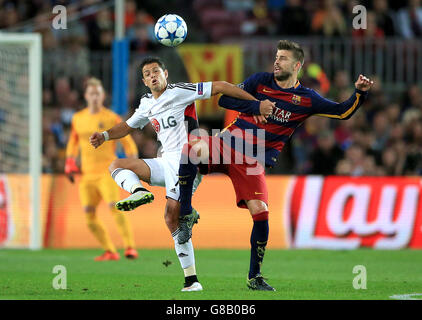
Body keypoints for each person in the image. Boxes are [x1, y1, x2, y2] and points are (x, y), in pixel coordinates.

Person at [176, 40, 373, 291]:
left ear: (297, 65)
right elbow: (225, 100)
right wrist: (255, 105)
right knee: (192, 148)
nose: (277, 61)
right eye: (276, 57)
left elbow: (342, 112)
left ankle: (254, 276)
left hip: (252, 159)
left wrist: (360, 93)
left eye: (283, 58)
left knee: (261, 213)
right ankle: (185, 213)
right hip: (228, 143)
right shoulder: (260, 81)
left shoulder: (307, 99)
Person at [89, 57, 274, 291]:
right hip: (164, 160)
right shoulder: (146, 103)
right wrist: (104, 136)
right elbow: (128, 126)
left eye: (156, 70)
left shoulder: (181, 91)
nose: (153, 75)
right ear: (144, 81)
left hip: (187, 161)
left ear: (166, 73)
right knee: (117, 164)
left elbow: (221, 86)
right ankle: (138, 192)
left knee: (171, 216)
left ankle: (191, 280)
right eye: (147, 74)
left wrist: (256, 105)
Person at [65, 77, 139, 261]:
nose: (95, 97)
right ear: (86, 96)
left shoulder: (110, 117)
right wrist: (69, 161)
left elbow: (127, 141)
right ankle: (110, 251)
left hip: (107, 172)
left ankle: (130, 247)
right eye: (92, 93)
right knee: (89, 215)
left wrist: (133, 160)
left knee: (114, 207)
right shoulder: (78, 118)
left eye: (98, 93)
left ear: (103, 95)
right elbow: (73, 141)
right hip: (87, 176)